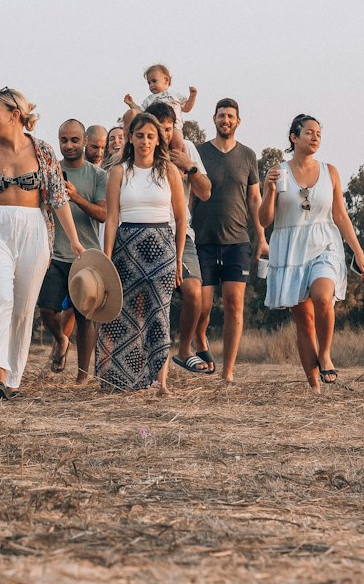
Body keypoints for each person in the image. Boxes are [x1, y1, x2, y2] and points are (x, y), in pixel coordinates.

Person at [0, 89, 85, 399]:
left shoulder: (43, 151)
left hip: (34, 230)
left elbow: (58, 199)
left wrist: (73, 241)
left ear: (14, 115)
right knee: (1, 298)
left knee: (22, 309)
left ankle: (13, 379)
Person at [259, 114, 364, 389]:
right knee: (304, 320)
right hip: (290, 248)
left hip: (325, 243)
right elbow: (264, 220)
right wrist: (269, 189)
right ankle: (314, 387)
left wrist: (358, 251)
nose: (315, 137)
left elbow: (341, 216)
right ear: (294, 138)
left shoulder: (330, 171)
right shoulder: (279, 172)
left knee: (323, 296)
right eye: (309, 132)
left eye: (318, 133)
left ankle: (325, 354)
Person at [99, 112, 186, 395]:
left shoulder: (169, 171)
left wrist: (179, 261)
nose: (145, 141)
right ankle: (120, 378)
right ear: (131, 139)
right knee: (123, 315)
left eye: (151, 136)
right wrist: (106, 260)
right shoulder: (120, 171)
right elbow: (112, 218)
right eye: (140, 136)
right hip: (127, 247)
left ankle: (161, 382)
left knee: (159, 315)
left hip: (162, 249)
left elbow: (181, 218)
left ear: (158, 139)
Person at [136, 103, 215, 381]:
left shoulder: (187, 150)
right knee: (149, 303)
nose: (164, 135)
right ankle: (147, 360)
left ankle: (183, 350)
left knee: (195, 293)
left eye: (168, 129)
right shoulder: (140, 152)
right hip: (147, 234)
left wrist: (189, 168)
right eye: (159, 130)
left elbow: (205, 193)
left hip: (182, 232)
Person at [191, 99, 267, 384]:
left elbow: (254, 199)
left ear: (238, 121)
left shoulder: (248, 155)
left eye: (230, 116)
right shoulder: (199, 152)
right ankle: (200, 339)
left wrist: (261, 237)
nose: (226, 120)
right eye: (221, 115)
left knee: (235, 307)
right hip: (203, 240)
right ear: (214, 119)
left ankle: (228, 372)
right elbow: (189, 193)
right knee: (203, 306)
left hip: (237, 242)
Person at [37, 119, 107, 382]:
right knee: (47, 309)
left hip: (85, 256)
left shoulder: (98, 176)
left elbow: (104, 214)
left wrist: (75, 197)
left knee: (85, 317)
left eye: (74, 140)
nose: (69, 145)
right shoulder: (50, 170)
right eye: (64, 140)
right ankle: (61, 339)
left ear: (85, 142)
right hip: (53, 253)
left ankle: (82, 377)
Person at [123, 63, 198, 122]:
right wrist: (131, 104)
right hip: (155, 129)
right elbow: (141, 112)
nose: (151, 85)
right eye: (149, 83)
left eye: (154, 81)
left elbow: (186, 108)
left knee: (178, 141)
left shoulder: (175, 95)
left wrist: (192, 96)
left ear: (166, 80)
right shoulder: (149, 99)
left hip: (174, 127)